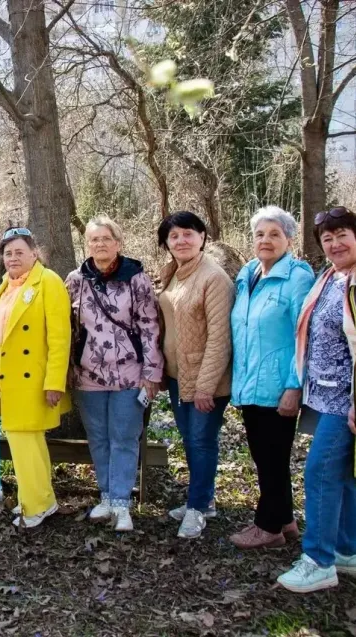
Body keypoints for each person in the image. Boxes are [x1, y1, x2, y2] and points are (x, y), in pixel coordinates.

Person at [65, 216, 163, 532]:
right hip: (88, 375)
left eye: (106, 238)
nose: (100, 244)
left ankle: (122, 503)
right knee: (98, 437)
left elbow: (150, 327)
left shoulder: (136, 279)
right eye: (94, 239)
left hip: (129, 374)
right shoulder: (75, 280)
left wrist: (152, 372)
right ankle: (106, 496)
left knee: (123, 436)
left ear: (118, 243)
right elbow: (65, 327)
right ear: (87, 245)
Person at [277, 206, 356, 593]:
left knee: (320, 471)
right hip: (324, 395)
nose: (335, 243)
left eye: (342, 234)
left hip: (346, 398)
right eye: (328, 238)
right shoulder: (332, 277)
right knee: (342, 474)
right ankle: (345, 549)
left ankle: (318, 561)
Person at [229, 207, 314, 550]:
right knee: (267, 457)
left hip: (279, 386)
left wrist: (295, 386)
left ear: (289, 240)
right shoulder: (248, 274)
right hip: (250, 383)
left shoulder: (298, 278)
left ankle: (268, 527)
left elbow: (304, 335)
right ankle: (286, 520)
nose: (266, 240)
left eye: (274, 234)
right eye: (260, 234)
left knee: (273, 457)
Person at [0, 227, 71, 529]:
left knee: (24, 442)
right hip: (7, 380)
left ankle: (35, 506)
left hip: (33, 381)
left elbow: (60, 338)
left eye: (20, 252)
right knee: (28, 444)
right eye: (8, 253)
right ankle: (41, 499)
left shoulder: (49, 282)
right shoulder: (6, 285)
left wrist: (55, 382)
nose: (13, 258)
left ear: (34, 253)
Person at [157, 211, 234, 539]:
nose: (181, 240)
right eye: (174, 236)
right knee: (190, 440)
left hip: (206, 379)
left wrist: (206, 386)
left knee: (202, 441)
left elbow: (220, 337)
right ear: (167, 244)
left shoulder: (213, 277)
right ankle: (202, 499)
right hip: (177, 375)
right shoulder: (174, 273)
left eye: (188, 233)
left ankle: (198, 507)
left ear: (203, 237)